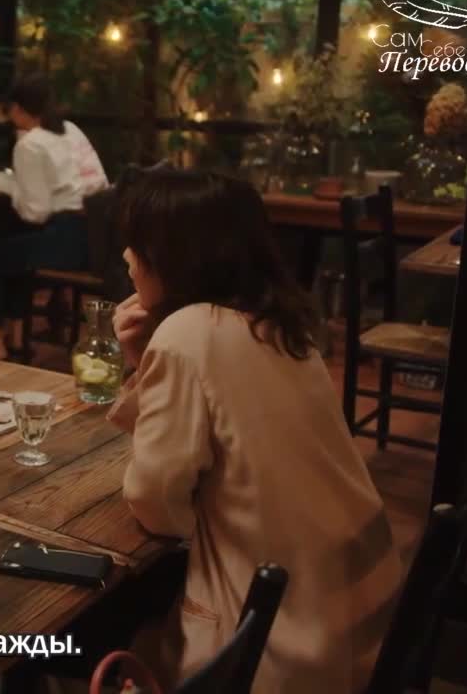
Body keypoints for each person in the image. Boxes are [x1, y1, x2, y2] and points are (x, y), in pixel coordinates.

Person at [108, 170, 402, 693]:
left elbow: (156, 500)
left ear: (177, 255)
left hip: (274, 645)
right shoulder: (283, 325)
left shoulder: (187, 333)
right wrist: (143, 360)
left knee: (103, 631)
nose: (127, 258)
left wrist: (197, 523)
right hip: (358, 615)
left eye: (138, 244)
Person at [0, 75, 108, 359]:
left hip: (69, 239)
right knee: (16, 248)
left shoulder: (30, 144)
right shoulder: (70, 129)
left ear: (18, 109)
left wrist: (3, 183)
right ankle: (17, 337)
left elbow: (35, 212)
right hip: (101, 236)